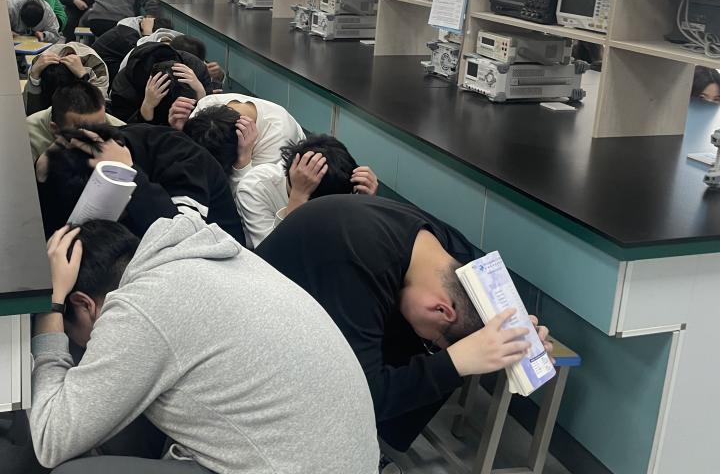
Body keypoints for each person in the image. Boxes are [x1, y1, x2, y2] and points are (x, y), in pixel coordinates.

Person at [29, 217, 380, 473]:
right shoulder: (202, 253)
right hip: (346, 457)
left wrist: (51, 309)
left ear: (84, 304)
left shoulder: (142, 307)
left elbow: (50, 439)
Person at [256, 195, 553, 453]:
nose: (429, 342)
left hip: (331, 277)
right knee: (444, 363)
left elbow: (479, 307)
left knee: (441, 358)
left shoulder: (453, 252)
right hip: (270, 325)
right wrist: (455, 361)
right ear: (441, 309)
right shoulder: (361, 267)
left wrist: (519, 337)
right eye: (432, 339)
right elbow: (360, 395)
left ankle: (383, 444)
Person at [36, 122, 245, 246]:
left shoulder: (183, 159)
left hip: (216, 261)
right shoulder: (90, 151)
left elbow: (183, 238)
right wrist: (40, 175)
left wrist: (130, 173)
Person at [234, 134, 380, 248]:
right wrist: (298, 197)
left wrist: (366, 204)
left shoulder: (335, 185)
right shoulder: (255, 188)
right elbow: (274, 258)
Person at [169, 93, 304, 181]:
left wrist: (243, 161)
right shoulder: (207, 104)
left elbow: (250, 199)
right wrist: (178, 134)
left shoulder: (278, 137)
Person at [109, 41, 212, 125]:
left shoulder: (196, 69)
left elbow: (212, 123)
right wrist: (146, 109)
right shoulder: (123, 89)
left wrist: (202, 96)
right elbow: (125, 132)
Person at [27, 80, 124, 162]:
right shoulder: (28, 135)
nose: (94, 137)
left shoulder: (119, 129)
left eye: (100, 129)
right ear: (55, 129)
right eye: (83, 131)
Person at [26, 43, 110, 116]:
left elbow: (97, 111)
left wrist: (84, 77)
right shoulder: (38, 66)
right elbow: (32, 114)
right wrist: (34, 78)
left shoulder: (97, 69)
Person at [91, 15, 174, 83]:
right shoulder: (127, 38)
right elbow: (144, 56)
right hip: (99, 75)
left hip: (101, 68)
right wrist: (148, 35)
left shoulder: (129, 29)